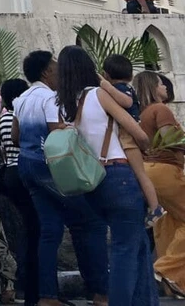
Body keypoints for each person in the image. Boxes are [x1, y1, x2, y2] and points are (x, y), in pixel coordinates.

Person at [56, 45, 156, 306]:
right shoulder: (99, 95)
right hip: (118, 174)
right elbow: (138, 132)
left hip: (92, 183)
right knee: (125, 249)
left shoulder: (66, 104)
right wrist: (147, 146)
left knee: (139, 246)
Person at [13, 49, 108, 306]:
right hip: (51, 168)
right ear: (46, 72)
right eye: (55, 68)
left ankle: (47, 296)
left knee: (50, 231)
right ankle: (100, 291)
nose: (59, 73)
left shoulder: (21, 98)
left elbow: (15, 137)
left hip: (27, 166)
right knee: (91, 222)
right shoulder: (50, 97)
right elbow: (56, 133)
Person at [135, 70, 185, 295]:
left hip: (149, 171)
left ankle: (173, 284)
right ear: (152, 88)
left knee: (171, 224)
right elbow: (170, 139)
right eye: (161, 83)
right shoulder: (161, 109)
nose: (165, 87)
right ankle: (164, 268)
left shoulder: (144, 113)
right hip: (166, 170)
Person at [0, 78, 37, 306]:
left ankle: (21, 284)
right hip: (23, 171)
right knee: (34, 228)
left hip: (8, 173)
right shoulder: (19, 116)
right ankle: (29, 285)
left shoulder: (2, 117)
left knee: (26, 227)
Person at [101, 56, 161, 221]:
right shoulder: (125, 87)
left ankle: (155, 207)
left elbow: (126, 102)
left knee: (140, 172)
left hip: (129, 136)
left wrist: (105, 86)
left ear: (106, 75)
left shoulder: (122, 89)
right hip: (128, 135)